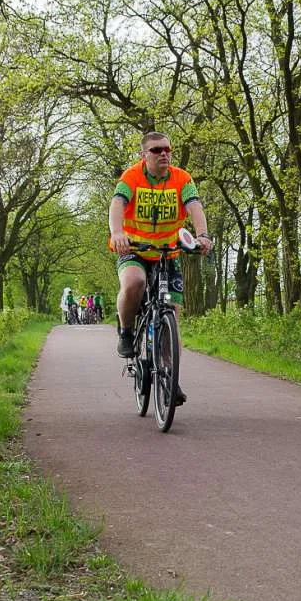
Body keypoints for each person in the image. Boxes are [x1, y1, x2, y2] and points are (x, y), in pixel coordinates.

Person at [108, 131, 213, 403]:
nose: (163, 153)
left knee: (172, 314)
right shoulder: (132, 177)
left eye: (167, 149)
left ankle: (170, 377)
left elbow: (195, 207)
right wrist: (118, 233)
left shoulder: (182, 178)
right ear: (144, 154)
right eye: (156, 150)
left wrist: (202, 235)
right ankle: (127, 331)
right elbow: (117, 203)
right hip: (135, 249)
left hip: (168, 252)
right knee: (134, 282)